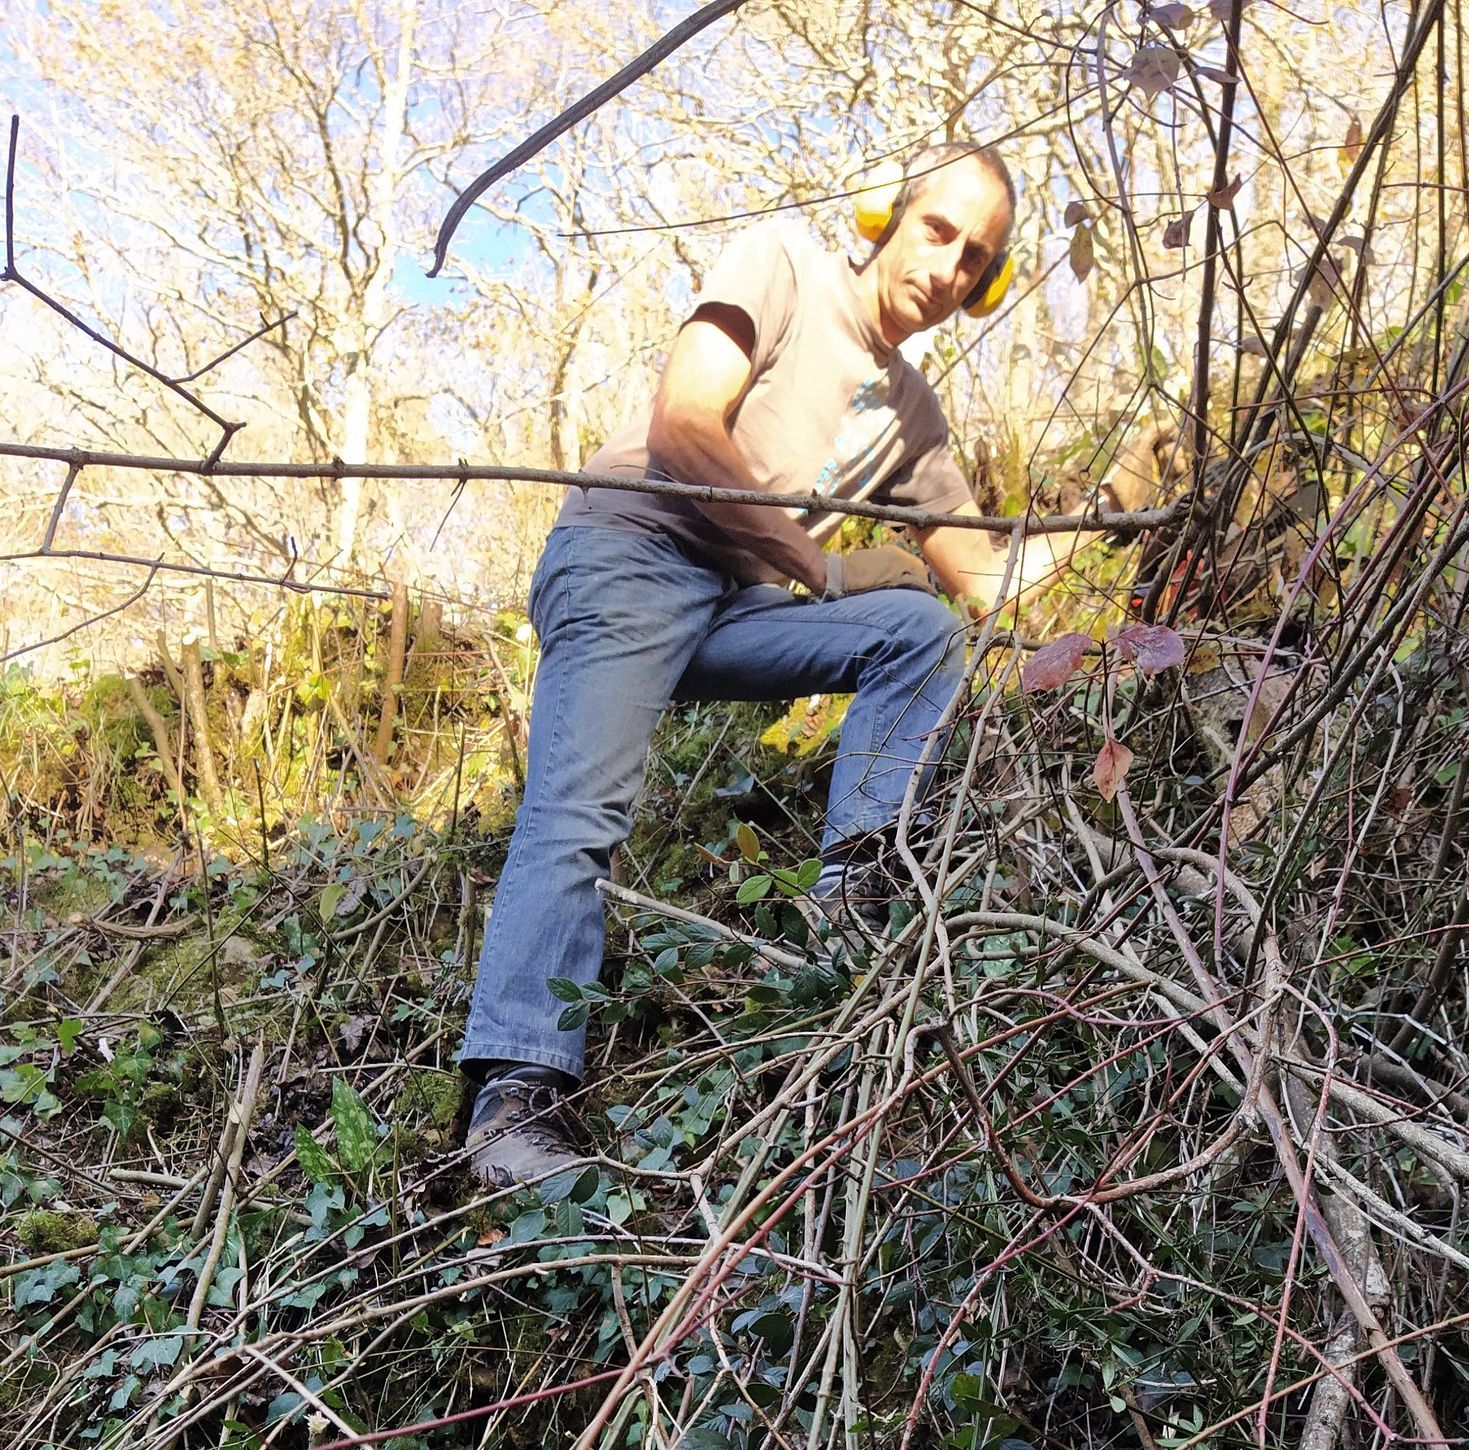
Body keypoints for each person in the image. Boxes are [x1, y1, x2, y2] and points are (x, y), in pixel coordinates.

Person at [458, 142, 1109, 1188]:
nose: (946, 269)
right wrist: (823, 564)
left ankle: (853, 900)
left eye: (974, 259)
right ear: (887, 218)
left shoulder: (913, 416)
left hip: (731, 599)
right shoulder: (785, 266)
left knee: (922, 630)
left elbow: (989, 584)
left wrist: (1117, 511)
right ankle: (512, 1101)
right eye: (938, 231)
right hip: (631, 552)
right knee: (580, 815)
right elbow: (682, 427)